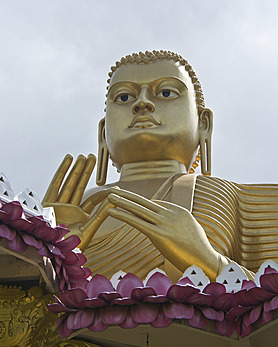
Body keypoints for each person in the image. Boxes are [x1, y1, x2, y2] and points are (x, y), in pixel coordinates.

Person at [43, 50, 278, 283]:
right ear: (103, 133)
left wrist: (207, 260)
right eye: (124, 97)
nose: (142, 103)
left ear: (203, 123)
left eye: (166, 92)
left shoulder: (233, 198)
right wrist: (47, 247)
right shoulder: (79, 208)